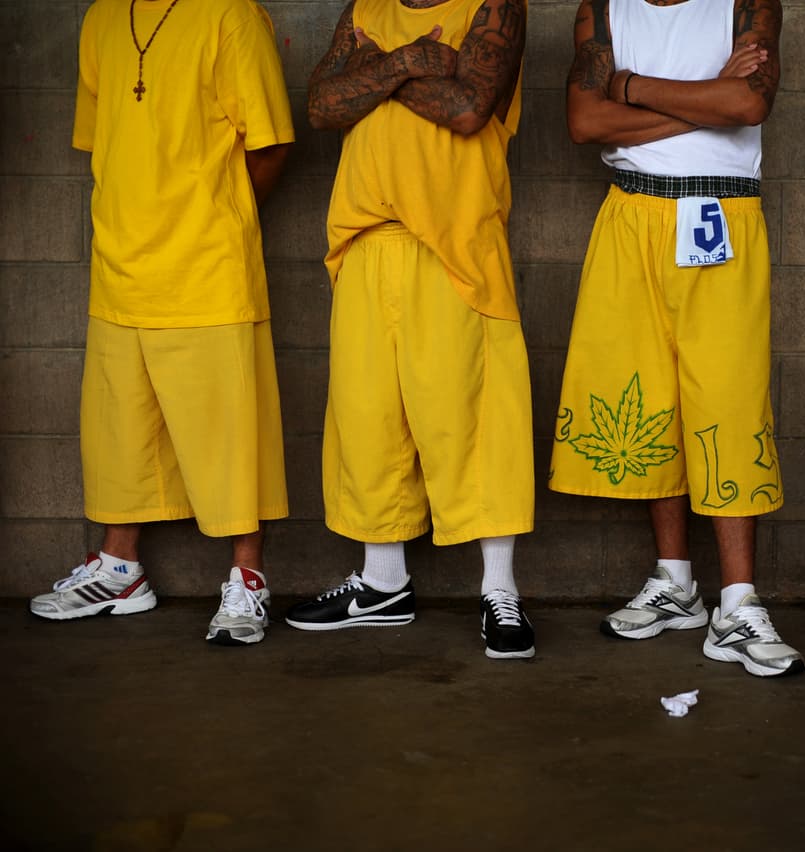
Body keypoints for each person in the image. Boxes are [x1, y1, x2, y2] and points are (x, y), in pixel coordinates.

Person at [30, 0, 294, 646]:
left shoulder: (231, 17)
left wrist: (217, 217)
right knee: (119, 430)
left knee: (230, 431)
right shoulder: (101, 18)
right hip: (120, 265)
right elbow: (106, 140)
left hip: (207, 267)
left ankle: (248, 579)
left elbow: (272, 145)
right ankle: (119, 569)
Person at [552, 0, 803, 677]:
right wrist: (707, 99)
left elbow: (748, 104)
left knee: (728, 401)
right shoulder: (602, 10)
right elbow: (585, 121)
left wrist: (629, 87)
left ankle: (739, 604)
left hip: (720, 212)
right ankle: (676, 583)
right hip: (632, 212)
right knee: (649, 398)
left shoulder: (747, 4)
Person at [285, 0, 536, 660]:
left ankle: (500, 590)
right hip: (366, 238)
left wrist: (373, 75)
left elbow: (469, 109)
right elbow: (321, 107)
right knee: (368, 417)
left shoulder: (494, 5)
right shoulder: (364, 7)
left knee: (474, 419)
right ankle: (383, 583)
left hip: (455, 245)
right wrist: (408, 64)